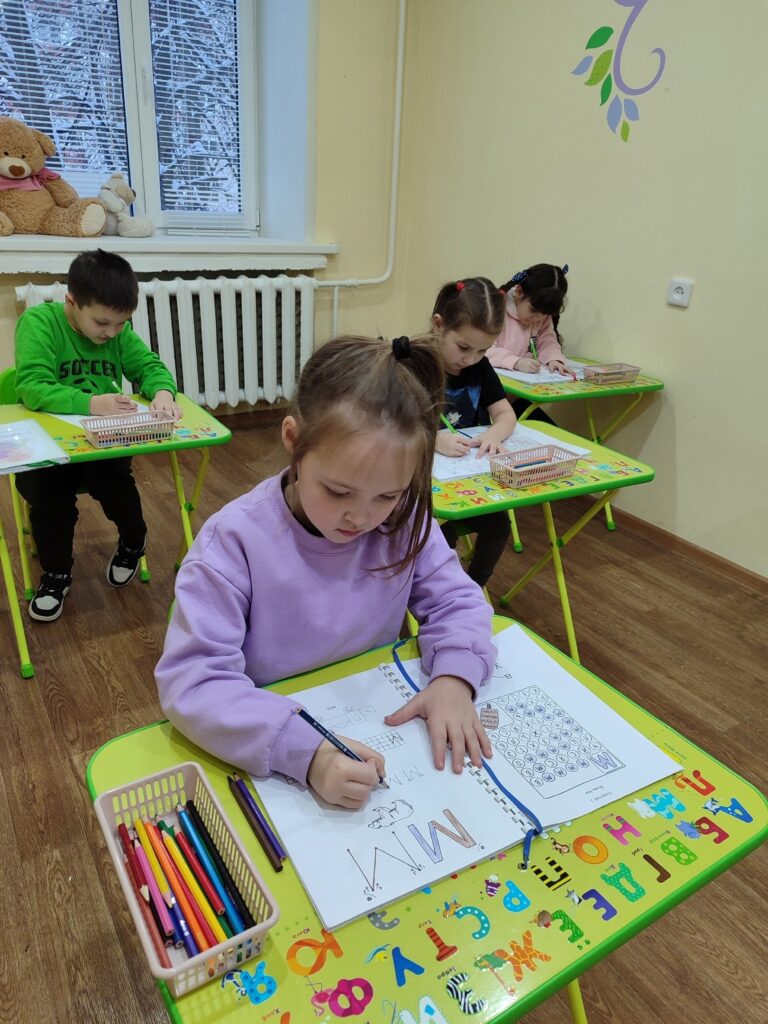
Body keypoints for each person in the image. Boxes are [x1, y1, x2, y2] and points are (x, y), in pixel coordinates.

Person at [155, 335, 496, 810]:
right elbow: (194, 682)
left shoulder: (404, 521)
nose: (361, 517)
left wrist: (454, 680)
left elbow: (457, 601)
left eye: (388, 495)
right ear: (293, 441)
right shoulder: (233, 543)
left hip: (375, 717)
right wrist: (306, 752)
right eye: (337, 492)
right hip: (271, 744)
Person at [14, 248, 181, 622]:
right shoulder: (40, 323)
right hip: (50, 445)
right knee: (50, 500)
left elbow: (149, 366)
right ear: (71, 301)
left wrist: (162, 392)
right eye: (102, 323)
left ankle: (133, 544)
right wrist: (91, 403)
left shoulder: (118, 332)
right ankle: (56, 575)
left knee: (118, 485)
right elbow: (32, 387)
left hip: (102, 443)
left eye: (121, 324)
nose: (111, 333)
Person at [431, 277, 518, 588]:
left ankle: (475, 587)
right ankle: (438, 591)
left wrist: (494, 434)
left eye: (483, 350)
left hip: (469, 482)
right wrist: (433, 438)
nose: (471, 359)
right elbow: (394, 428)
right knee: (441, 532)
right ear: (438, 325)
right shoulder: (417, 365)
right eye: (464, 347)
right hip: (428, 489)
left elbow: (506, 414)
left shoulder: (479, 367)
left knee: (499, 524)